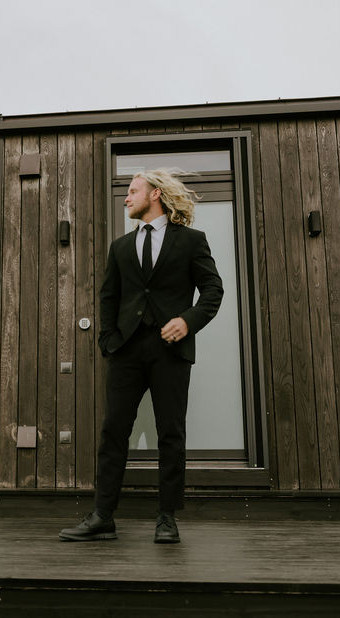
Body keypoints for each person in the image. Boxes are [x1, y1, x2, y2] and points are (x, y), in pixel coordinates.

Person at [59, 169, 223, 544]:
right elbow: (108, 297)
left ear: (156, 195)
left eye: (133, 191)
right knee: (113, 432)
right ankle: (102, 516)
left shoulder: (191, 241)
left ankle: (167, 518)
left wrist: (188, 321)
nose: (127, 197)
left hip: (171, 352)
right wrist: (108, 341)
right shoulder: (120, 247)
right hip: (126, 353)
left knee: (171, 434)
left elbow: (213, 289)